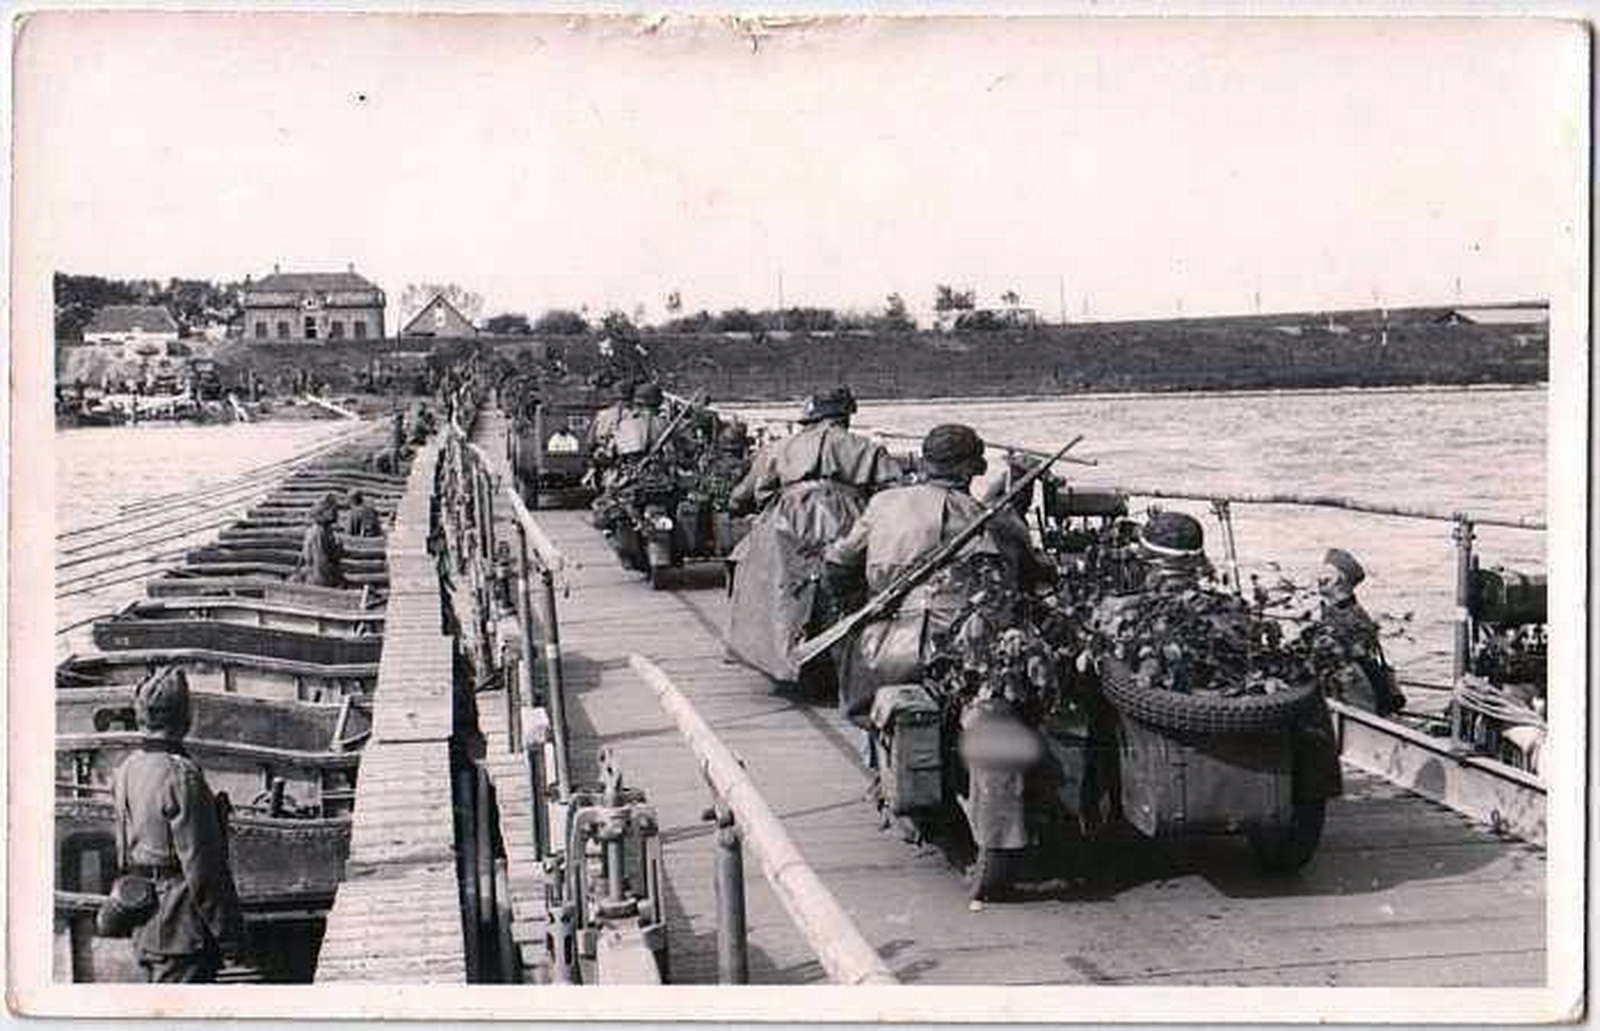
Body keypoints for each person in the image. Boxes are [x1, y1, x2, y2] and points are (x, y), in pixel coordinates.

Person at [822, 423, 1050, 723]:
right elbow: (1028, 575)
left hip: (881, 657)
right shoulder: (990, 519)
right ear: (974, 468)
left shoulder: (882, 503)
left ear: (924, 461)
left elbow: (837, 566)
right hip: (966, 658)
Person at [724, 387, 903, 688]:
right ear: (845, 415)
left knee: (760, 575)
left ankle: (776, 654)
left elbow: (752, 491)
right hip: (850, 519)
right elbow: (892, 490)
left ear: (809, 416)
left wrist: (739, 504)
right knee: (860, 582)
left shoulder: (780, 448)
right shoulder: (865, 448)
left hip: (786, 522)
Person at [112, 671, 244, 982]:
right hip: (182, 930)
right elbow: (203, 868)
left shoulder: (127, 769)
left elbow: (122, 850)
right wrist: (230, 935)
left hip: (143, 921)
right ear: (185, 717)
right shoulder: (182, 777)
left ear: (140, 716)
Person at [1314, 547, 1405, 716]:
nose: (1319, 580)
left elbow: (1356, 665)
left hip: (1354, 701)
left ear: (1340, 580)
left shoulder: (1352, 617)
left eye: (1327, 575)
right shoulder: (1335, 610)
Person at [297, 494, 345, 588]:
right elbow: (320, 563)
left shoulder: (326, 530)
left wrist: (338, 548)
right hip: (318, 578)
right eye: (333, 510)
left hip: (321, 573)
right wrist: (334, 582)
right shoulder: (318, 532)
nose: (336, 513)